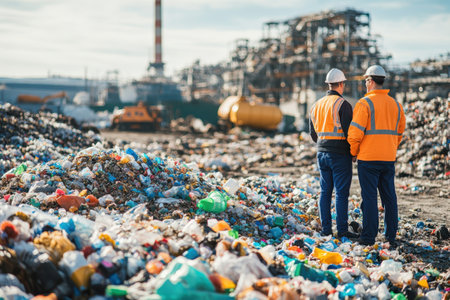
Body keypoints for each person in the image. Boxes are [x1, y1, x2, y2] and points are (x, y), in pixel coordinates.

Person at [347, 65, 406, 247]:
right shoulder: (396, 105)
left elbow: (355, 133)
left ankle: (369, 236)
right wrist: (390, 148)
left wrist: (353, 152)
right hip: (388, 158)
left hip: (368, 159)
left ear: (371, 81)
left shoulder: (365, 103)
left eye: (366, 80)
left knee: (370, 197)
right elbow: (399, 132)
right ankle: (390, 236)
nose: (365, 84)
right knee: (390, 197)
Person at [309, 68, 358, 239]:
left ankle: (326, 230)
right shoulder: (343, 105)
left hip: (321, 153)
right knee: (341, 193)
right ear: (341, 84)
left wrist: (324, 143)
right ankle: (342, 230)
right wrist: (353, 153)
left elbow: (313, 134)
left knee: (325, 192)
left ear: (328, 85)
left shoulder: (316, 105)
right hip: (340, 155)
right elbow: (349, 133)